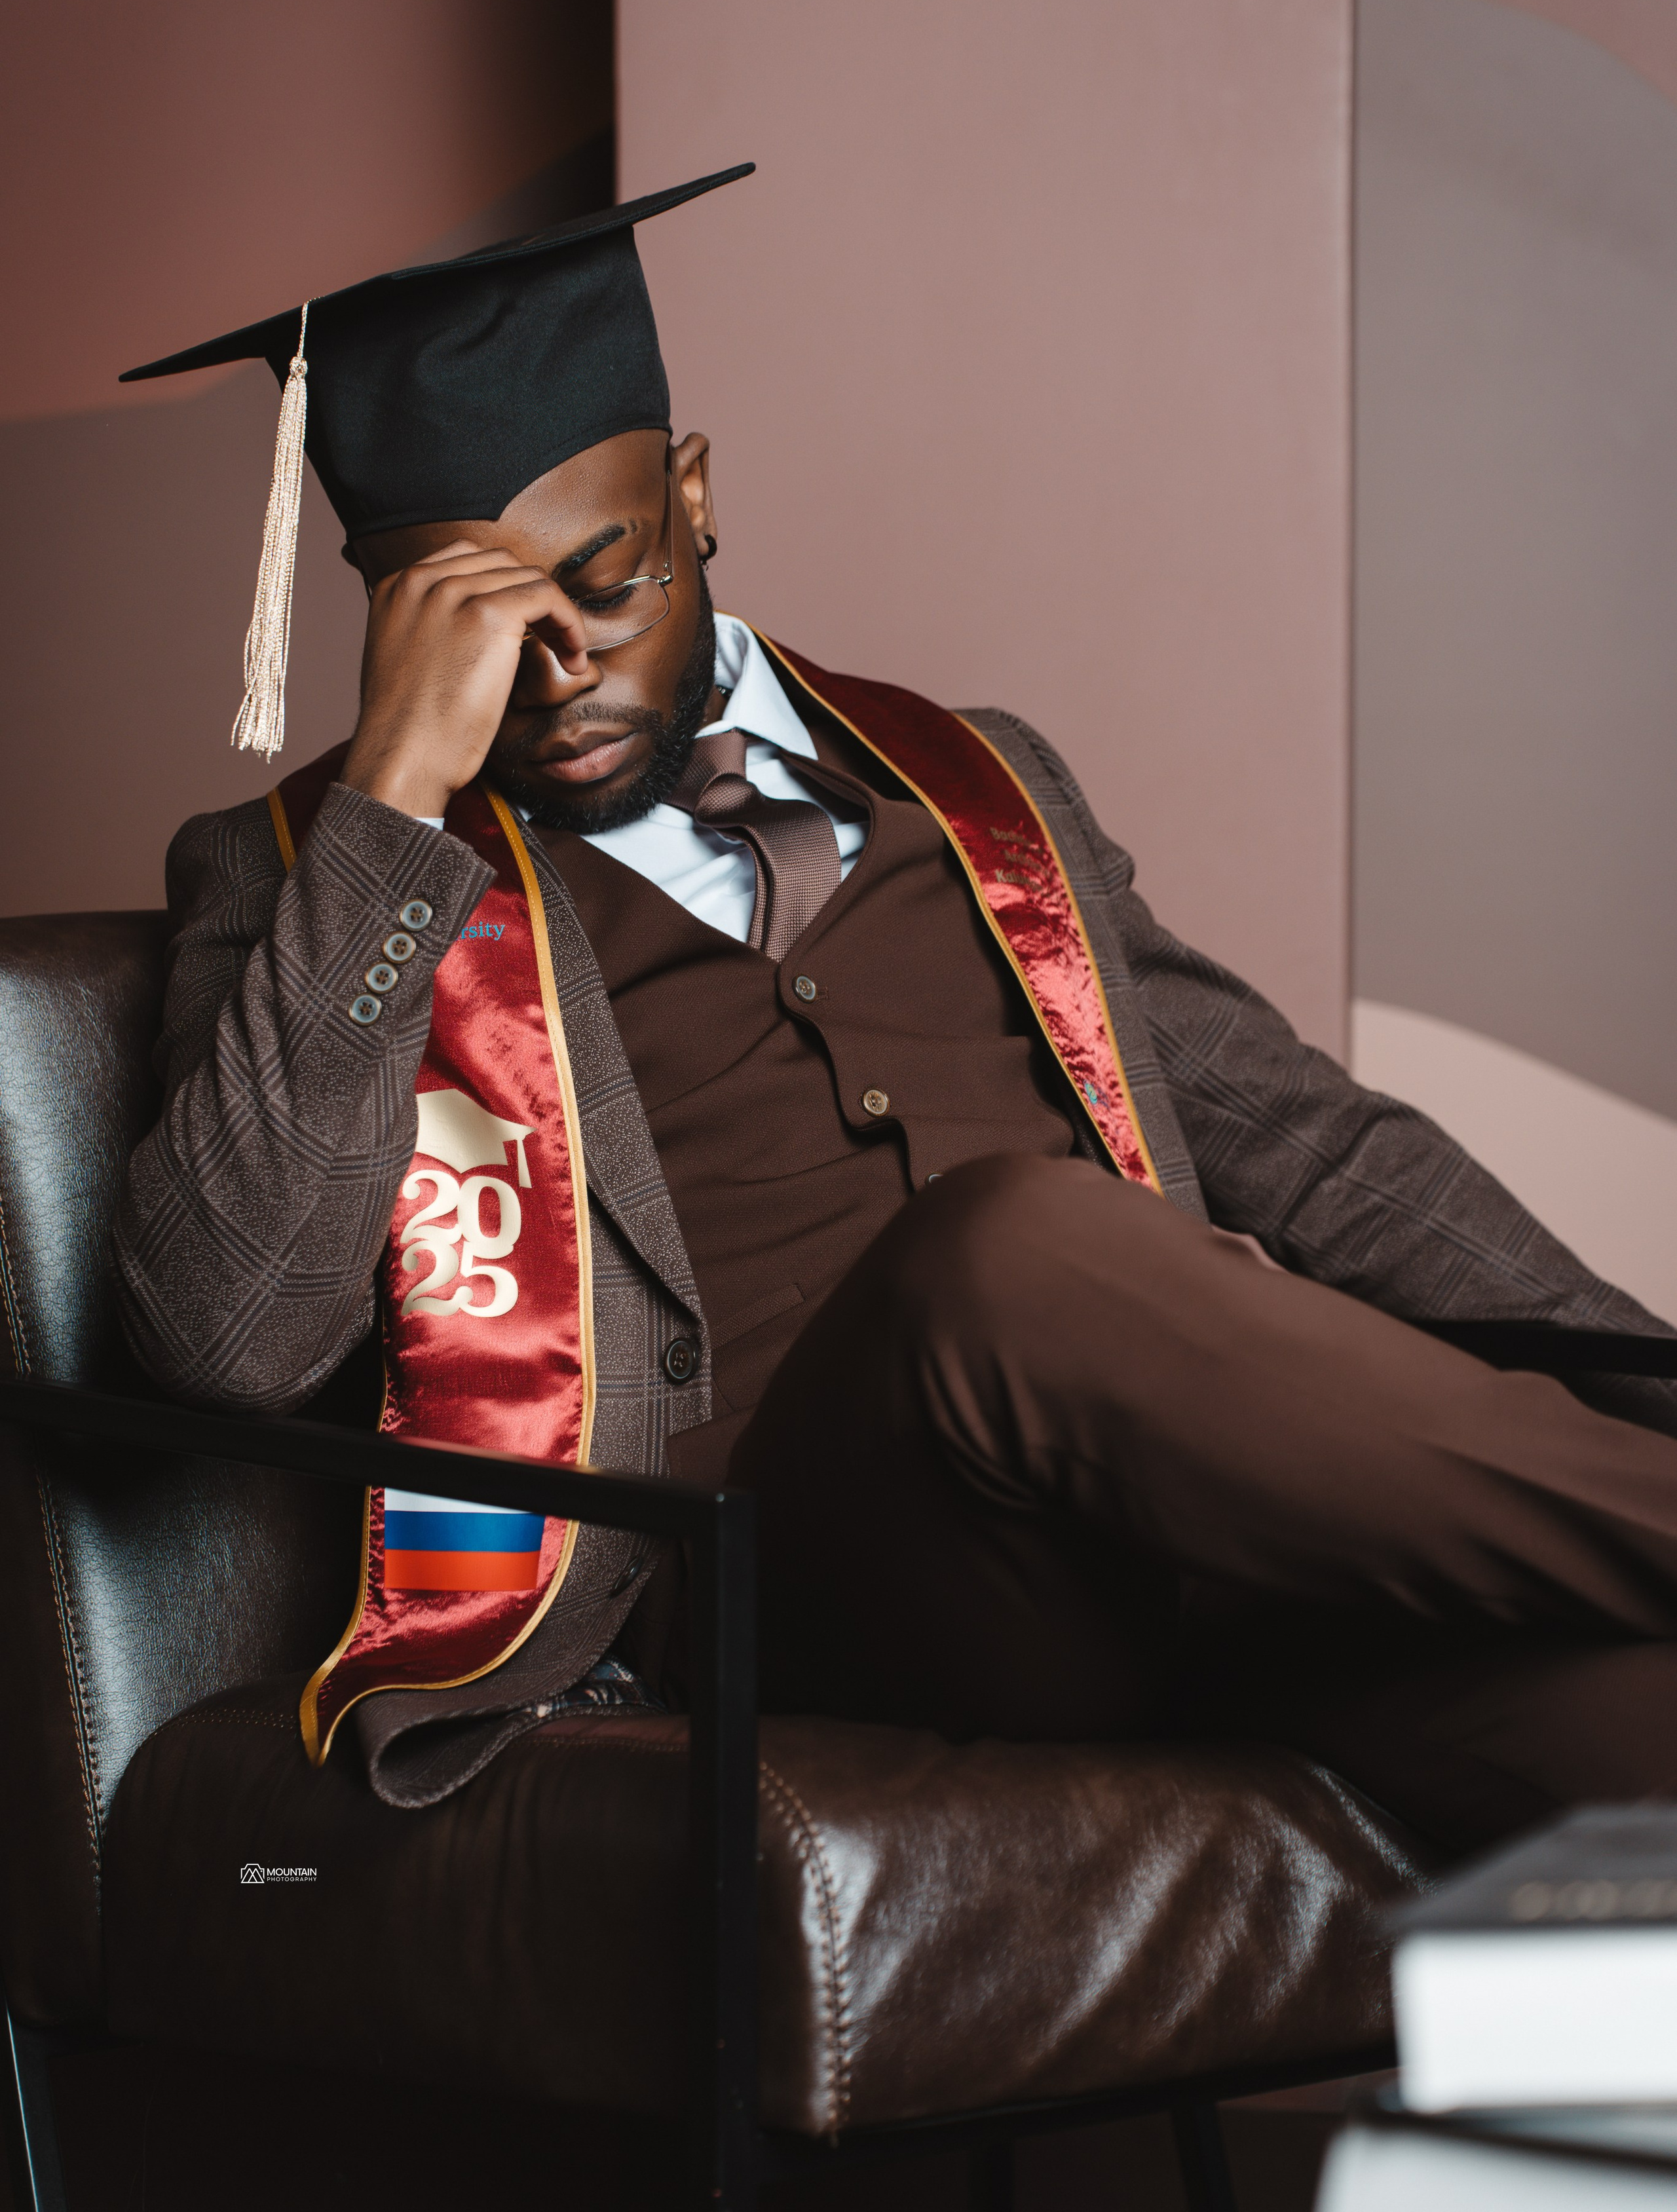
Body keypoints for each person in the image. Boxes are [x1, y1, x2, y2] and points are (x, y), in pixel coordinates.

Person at [112, 166, 1677, 1841]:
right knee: (1013, 1248)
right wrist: (393, 808)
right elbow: (226, 1341)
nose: (558, 674)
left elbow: (1312, 1143)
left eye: (606, 586)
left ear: (693, 498)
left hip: (1183, 1532)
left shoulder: (973, 781)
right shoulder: (312, 878)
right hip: (794, 1579)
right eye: (479, 632)